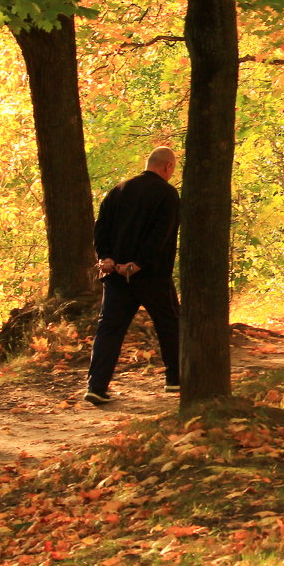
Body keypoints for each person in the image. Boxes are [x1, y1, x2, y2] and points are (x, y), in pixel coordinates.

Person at [85, 147, 181, 405]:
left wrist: (106, 258)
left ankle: (96, 386)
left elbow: (101, 227)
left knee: (109, 329)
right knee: (170, 324)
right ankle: (175, 380)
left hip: (116, 276)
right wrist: (138, 263)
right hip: (152, 275)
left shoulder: (118, 191)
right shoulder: (167, 194)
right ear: (168, 167)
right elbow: (162, 233)